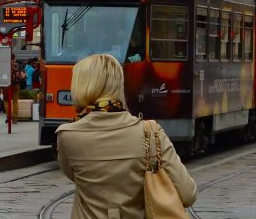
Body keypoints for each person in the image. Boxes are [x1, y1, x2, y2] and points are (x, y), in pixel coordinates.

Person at [56, 54, 196, 219]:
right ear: (119, 85)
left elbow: (74, 175)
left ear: (80, 87)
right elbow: (187, 194)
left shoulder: (67, 136)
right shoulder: (150, 133)